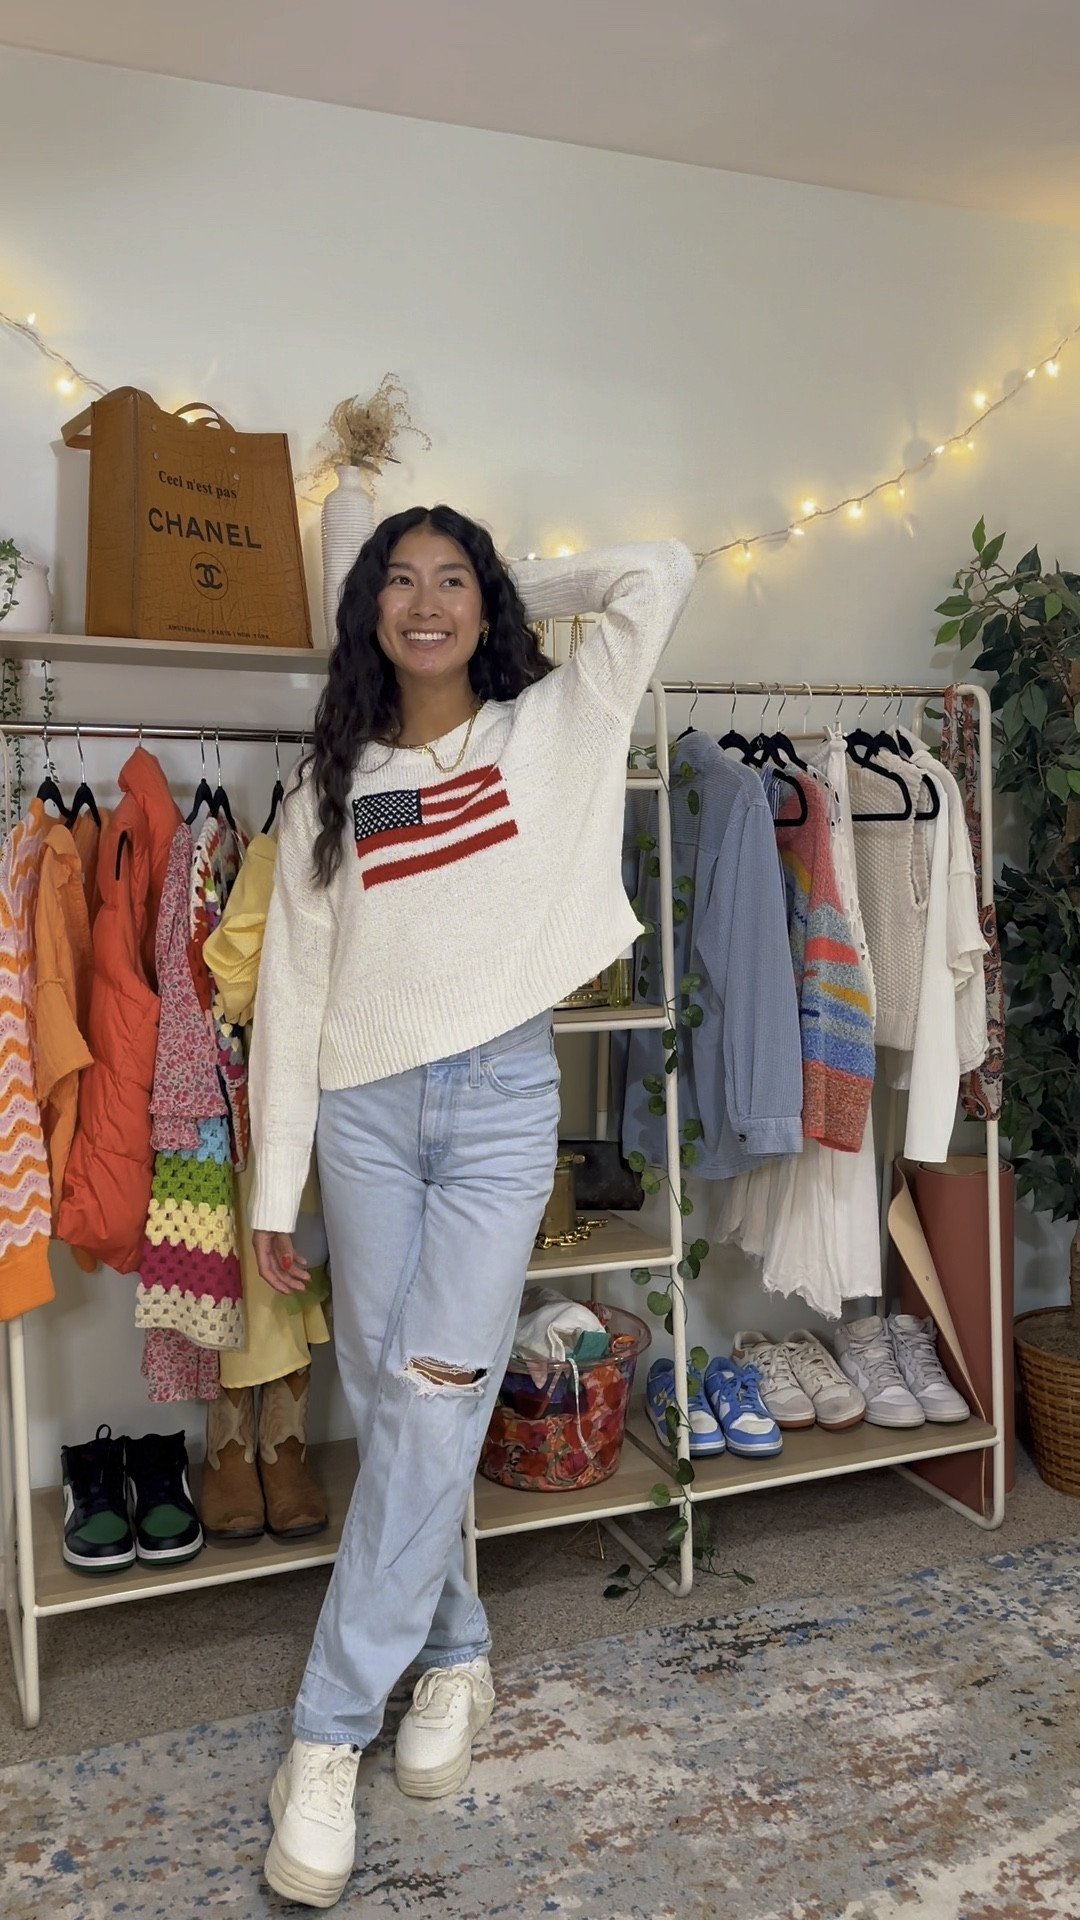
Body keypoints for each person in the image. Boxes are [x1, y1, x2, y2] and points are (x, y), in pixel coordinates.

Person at [249, 503, 696, 1907]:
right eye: (400, 582)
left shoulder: (552, 729)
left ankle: (323, 1735)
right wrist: (276, 1181)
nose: (427, 605)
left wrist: (510, 572)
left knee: (440, 1392)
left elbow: (659, 569)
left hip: (501, 1107)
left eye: (453, 582)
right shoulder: (332, 779)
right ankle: (454, 1651)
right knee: (396, 1403)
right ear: (367, 610)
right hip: (363, 1113)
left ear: (484, 601)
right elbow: (292, 993)